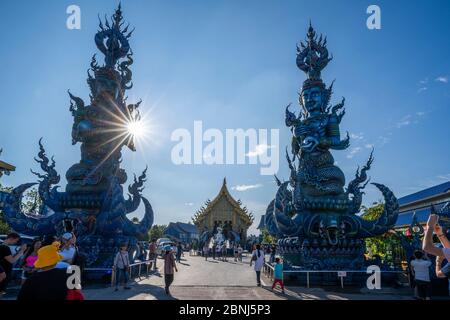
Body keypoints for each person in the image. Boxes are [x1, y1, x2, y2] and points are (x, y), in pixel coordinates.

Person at [17, 244, 84, 300]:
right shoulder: (70, 274)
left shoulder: (31, 280)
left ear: (40, 262)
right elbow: (78, 293)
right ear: (55, 261)